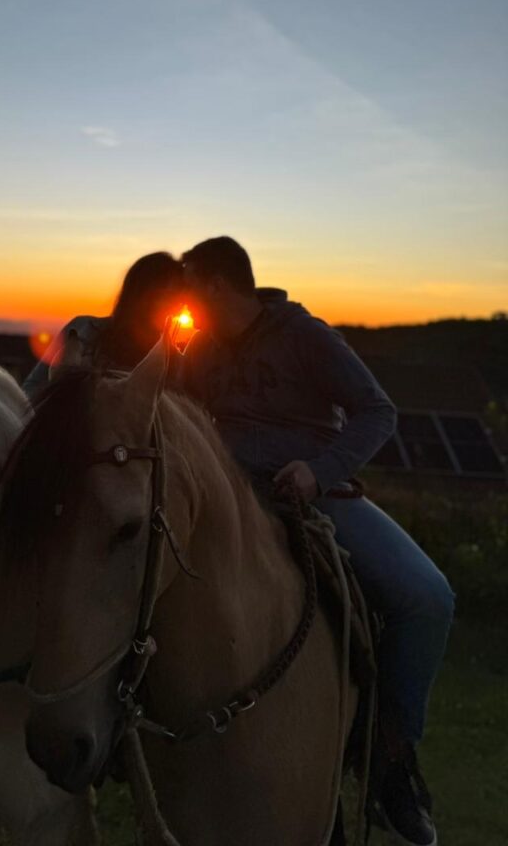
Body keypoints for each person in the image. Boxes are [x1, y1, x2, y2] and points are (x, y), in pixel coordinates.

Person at [179, 235, 453, 846]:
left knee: (427, 598)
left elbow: (377, 412)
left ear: (219, 285)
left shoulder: (306, 337)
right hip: (224, 503)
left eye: (190, 286)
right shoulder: (198, 348)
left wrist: (317, 470)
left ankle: (389, 757)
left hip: (311, 494)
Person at [23, 251, 184, 398]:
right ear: (139, 293)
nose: (172, 304)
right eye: (163, 294)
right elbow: (30, 391)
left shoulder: (174, 362)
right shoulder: (82, 330)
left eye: (177, 296)